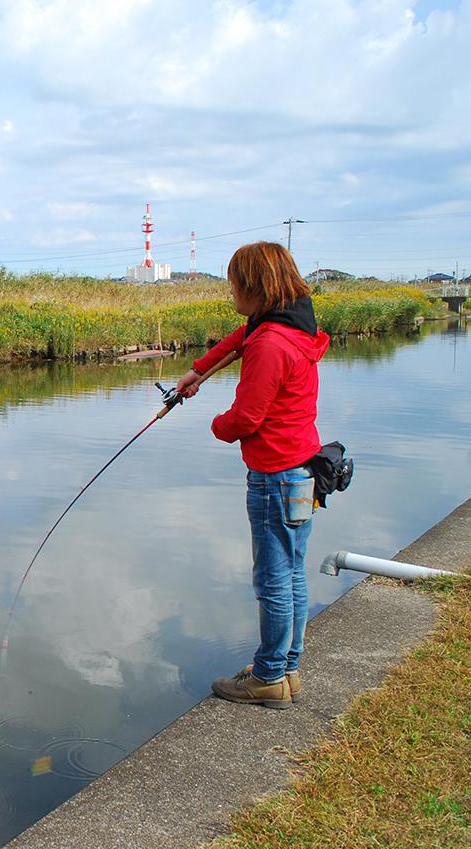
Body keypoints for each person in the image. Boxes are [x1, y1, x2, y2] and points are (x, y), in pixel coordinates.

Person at [176, 241, 330, 709]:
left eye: (235, 285)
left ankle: (267, 678)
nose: (232, 293)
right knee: (293, 573)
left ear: (255, 287)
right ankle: (285, 668)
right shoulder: (292, 326)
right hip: (304, 467)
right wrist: (198, 372)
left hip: (275, 477)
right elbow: (241, 337)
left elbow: (246, 419)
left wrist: (215, 425)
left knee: (272, 580)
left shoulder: (270, 345)